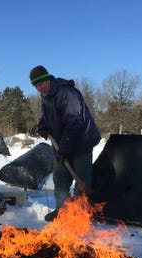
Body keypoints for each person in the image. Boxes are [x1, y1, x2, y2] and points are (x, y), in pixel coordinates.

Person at [29, 65, 101, 221]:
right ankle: (63, 211)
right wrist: (43, 125)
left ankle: (81, 214)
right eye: (35, 86)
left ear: (47, 79)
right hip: (62, 144)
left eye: (40, 84)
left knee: (81, 182)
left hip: (81, 142)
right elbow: (49, 116)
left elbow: (75, 122)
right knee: (60, 179)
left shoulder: (67, 93)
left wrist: (65, 148)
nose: (38, 88)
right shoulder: (46, 96)